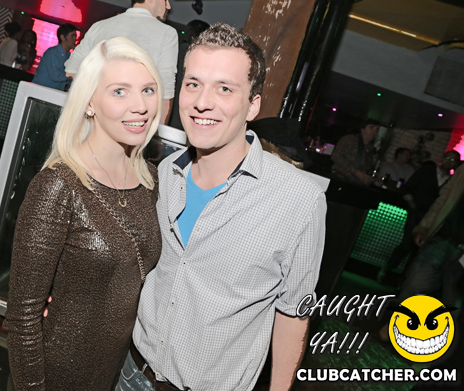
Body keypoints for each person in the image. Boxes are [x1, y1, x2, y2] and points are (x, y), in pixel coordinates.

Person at [117, 23, 327, 391]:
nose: (202, 102)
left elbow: (293, 313)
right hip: (131, 372)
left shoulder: (300, 200)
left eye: (224, 88)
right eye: (193, 84)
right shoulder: (165, 173)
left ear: (253, 105)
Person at [3, 37, 163, 391]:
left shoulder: (151, 181)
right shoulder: (58, 186)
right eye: (120, 91)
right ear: (90, 102)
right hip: (55, 375)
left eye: (148, 90)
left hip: (111, 374)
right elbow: (22, 318)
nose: (140, 106)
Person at [380, 159, 464, 341]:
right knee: (414, 284)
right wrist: (425, 226)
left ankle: (435, 346)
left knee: (453, 302)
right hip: (443, 239)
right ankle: (398, 326)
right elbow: (443, 200)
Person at [65, 0, 178, 123]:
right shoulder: (167, 33)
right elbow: (165, 92)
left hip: (94, 118)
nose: (168, 6)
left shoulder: (99, 26)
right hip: (135, 120)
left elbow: (70, 71)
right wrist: (159, 132)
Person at [377, 150, 461, 284]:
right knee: (407, 244)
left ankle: (405, 279)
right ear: (442, 158)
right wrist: (412, 205)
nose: (449, 162)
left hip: (432, 217)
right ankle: (387, 269)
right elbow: (408, 188)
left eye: (453, 161)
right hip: (417, 213)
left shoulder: (452, 181)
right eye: (448, 158)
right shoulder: (427, 171)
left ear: (456, 164)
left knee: (419, 249)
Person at [331, 119, 380, 185]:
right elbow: (336, 156)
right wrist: (355, 171)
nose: (374, 132)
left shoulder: (371, 150)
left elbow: (367, 167)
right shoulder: (349, 139)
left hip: (356, 182)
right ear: (362, 129)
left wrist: (365, 177)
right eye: (371, 128)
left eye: (377, 130)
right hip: (340, 176)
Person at [32, 24, 77, 91]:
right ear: (62, 37)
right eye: (72, 36)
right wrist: (72, 76)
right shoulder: (52, 53)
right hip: (40, 91)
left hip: (52, 92)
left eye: (75, 36)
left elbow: (66, 80)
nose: (75, 39)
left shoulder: (68, 56)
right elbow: (56, 76)